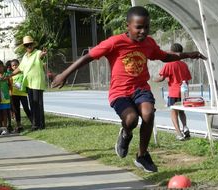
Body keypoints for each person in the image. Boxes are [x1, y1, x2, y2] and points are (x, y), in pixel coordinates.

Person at [51, 6, 206, 172]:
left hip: (141, 89)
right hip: (120, 92)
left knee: (148, 114)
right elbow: (88, 57)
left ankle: (142, 155)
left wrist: (189, 54)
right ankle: (125, 134)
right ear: (128, 26)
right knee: (131, 119)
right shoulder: (115, 42)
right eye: (138, 27)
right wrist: (64, 74)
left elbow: (166, 56)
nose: (143, 31)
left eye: (146, 27)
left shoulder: (148, 43)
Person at [9, 36, 47, 131]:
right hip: (29, 83)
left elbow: (41, 56)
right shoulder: (25, 56)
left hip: (37, 82)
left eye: (30, 44)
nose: (29, 46)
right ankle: (35, 124)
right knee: (32, 104)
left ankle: (40, 124)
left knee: (38, 104)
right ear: (24, 47)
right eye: (26, 45)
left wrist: (43, 54)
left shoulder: (37, 52)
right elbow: (20, 68)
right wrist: (9, 75)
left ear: (33, 45)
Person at [154, 43, 192, 141]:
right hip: (184, 92)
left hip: (174, 92)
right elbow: (187, 78)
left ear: (171, 52)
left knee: (174, 112)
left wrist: (153, 80)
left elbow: (162, 78)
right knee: (182, 111)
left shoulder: (169, 64)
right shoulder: (184, 65)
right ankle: (185, 127)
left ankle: (179, 133)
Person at [10, 59, 32, 132]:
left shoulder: (23, 73)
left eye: (16, 64)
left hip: (23, 94)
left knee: (26, 108)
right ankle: (18, 125)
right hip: (14, 95)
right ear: (11, 67)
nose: (15, 66)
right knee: (17, 110)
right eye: (13, 65)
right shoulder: (11, 75)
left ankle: (33, 122)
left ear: (19, 65)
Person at [0, 60, 12, 134]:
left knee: (5, 113)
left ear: (2, 66)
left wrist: (10, 95)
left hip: (5, 96)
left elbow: (10, 86)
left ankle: (5, 128)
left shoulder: (7, 74)